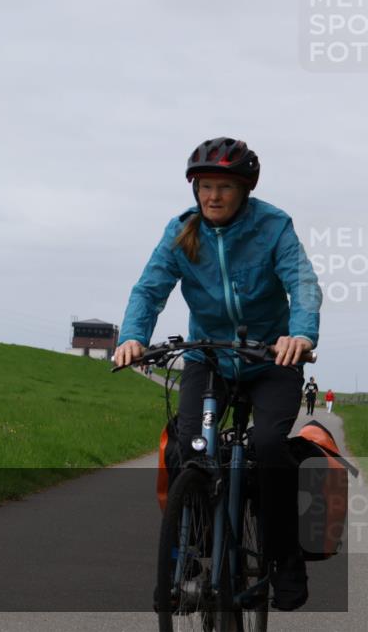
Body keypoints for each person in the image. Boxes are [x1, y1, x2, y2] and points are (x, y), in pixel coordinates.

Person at [113, 137, 322, 611]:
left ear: (244, 189)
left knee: (269, 447)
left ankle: (284, 557)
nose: (212, 196)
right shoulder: (181, 231)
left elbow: (302, 283)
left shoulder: (273, 226)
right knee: (190, 447)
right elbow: (149, 290)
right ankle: (188, 552)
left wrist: (301, 336)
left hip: (271, 359)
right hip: (208, 358)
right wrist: (132, 337)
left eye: (223, 187)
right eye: (204, 186)